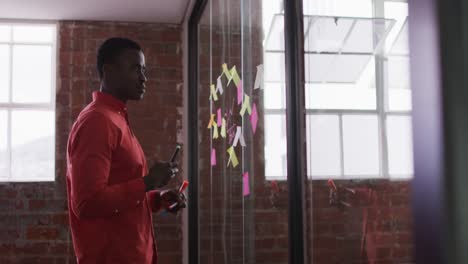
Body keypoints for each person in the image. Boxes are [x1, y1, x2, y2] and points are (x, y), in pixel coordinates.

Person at [66, 37, 186, 264]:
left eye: (144, 70)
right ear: (109, 72)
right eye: (136, 69)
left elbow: (118, 196)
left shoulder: (116, 117)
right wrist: (148, 182)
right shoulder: (97, 121)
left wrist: (157, 199)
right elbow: (88, 203)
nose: (144, 77)